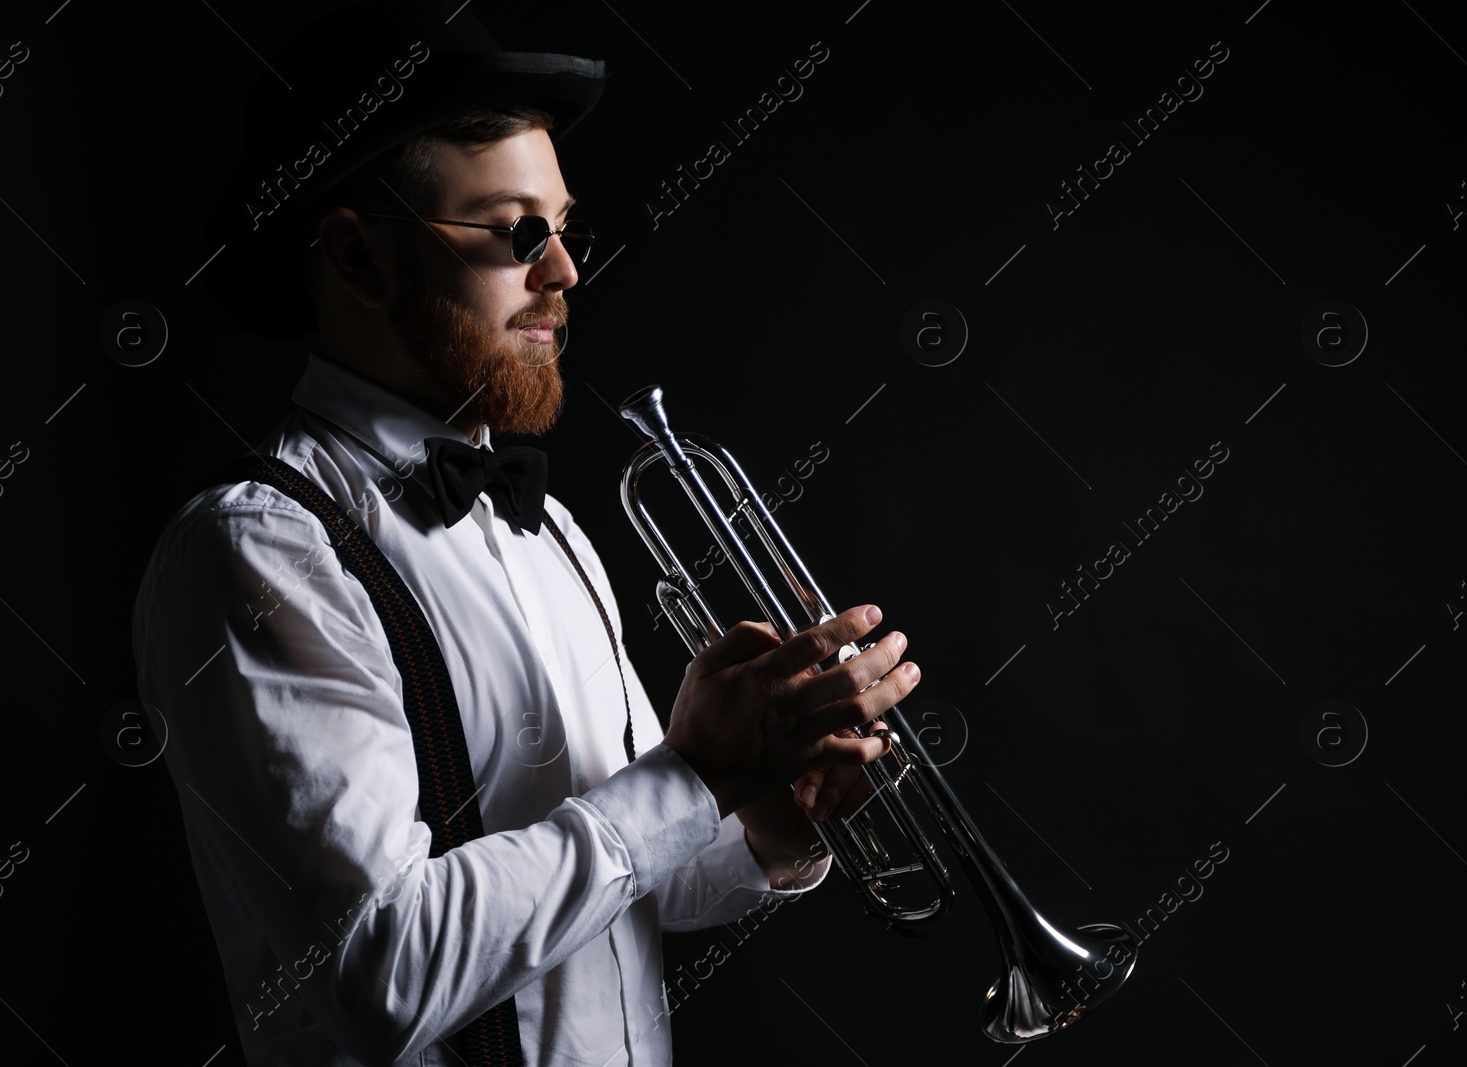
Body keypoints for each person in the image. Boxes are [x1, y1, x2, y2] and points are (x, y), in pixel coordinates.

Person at [133, 3, 919, 1065]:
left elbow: (635, 867)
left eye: (564, 230)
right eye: (516, 232)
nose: (564, 275)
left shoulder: (551, 530)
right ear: (359, 260)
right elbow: (383, 971)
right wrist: (691, 775)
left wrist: (771, 811)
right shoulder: (261, 555)